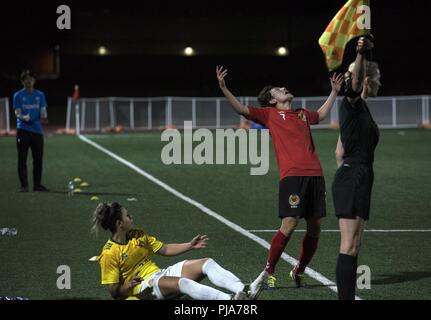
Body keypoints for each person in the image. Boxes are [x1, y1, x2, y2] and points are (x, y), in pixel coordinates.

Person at [216, 66, 343, 293]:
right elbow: (241, 109)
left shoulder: (302, 114)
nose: (284, 89)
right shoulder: (270, 115)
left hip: (315, 175)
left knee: (315, 227)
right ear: (272, 100)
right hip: (292, 176)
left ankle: (299, 270)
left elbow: (321, 115)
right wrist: (224, 88)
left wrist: (334, 91)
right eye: (278, 90)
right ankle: (270, 271)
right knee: (290, 222)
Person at [91, 202, 252, 300]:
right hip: (143, 289)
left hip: (159, 275)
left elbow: (165, 248)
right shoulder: (109, 253)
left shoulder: (137, 235)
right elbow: (114, 293)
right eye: (128, 216)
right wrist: (127, 285)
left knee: (206, 263)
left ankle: (243, 290)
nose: (131, 217)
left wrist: (189, 245)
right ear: (120, 223)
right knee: (182, 283)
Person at [332, 36, 381, 300]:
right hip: (354, 175)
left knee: (355, 245)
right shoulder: (350, 102)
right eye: (378, 78)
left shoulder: (360, 110)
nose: (380, 83)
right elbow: (353, 83)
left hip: (359, 175)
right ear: (365, 79)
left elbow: (338, 151)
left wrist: (348, 170)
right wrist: (360, 53)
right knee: (348, 245)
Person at [13, 70, 49, 192]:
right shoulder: (18, 95)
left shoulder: (40, 95)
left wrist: (44, 115)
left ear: (34, 81)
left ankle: (37, 185)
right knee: (22, 159)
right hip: (23, 130)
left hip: (37, 132)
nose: (29, 81)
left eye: (31, 79)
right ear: (22, 81)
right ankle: (24, 185)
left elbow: (43, 109)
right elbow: (17, 112)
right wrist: (22, 117)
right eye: (26, 79)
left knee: (38, 159)